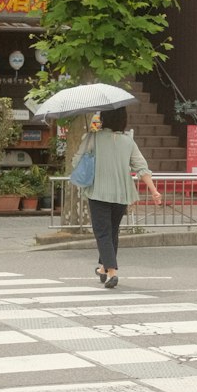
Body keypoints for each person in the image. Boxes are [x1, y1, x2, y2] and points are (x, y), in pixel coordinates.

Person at [71, 104, 161, 289]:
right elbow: (141, 167)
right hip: (122, 193)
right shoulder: (128, 141)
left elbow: (76, 161)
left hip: (98, 191)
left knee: (102, 232)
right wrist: (154, 191)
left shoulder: (92, 138)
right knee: (112, 231)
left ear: (103, 118)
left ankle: (112, 272)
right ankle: (103, 268)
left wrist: (89, 146)